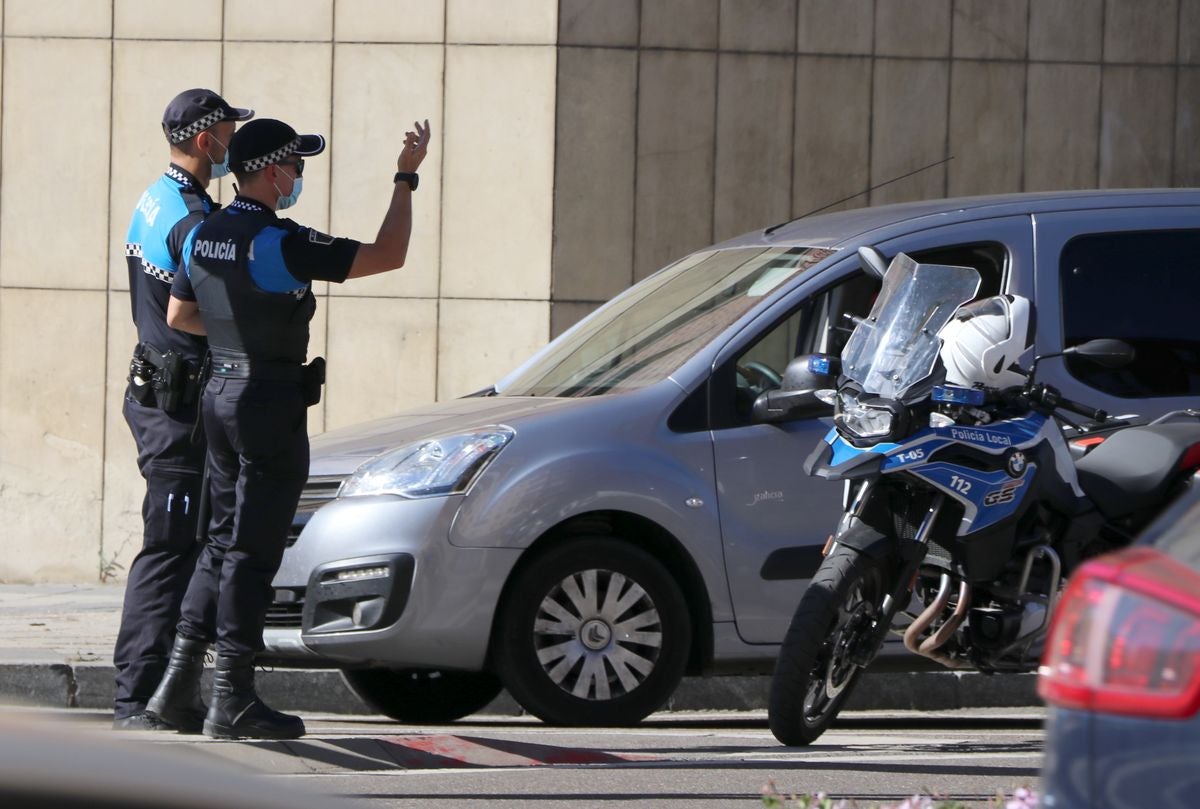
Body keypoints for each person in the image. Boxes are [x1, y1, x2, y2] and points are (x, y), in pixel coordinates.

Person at [146, 116, 431, 739]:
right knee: (254, 551)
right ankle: (233, 698)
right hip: (267, 403)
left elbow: (180, 313)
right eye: (296, 167)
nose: (299, 176)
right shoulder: (280, 241)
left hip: (218, 397)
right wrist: (405, 178)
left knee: (219, 543)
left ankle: (174, 688)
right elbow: (390, 255)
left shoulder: (202, 232)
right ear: (272, 172)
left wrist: (234, 338)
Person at [113, 89, 254, 731]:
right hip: (178, 406)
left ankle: (170, 693)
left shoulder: (157, 196)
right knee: (170, 549)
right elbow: (195, 313)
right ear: (206, 141)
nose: (232, 142)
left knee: (183, 546)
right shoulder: (191, 219)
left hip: (159, 390)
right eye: (227, 130)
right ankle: (139, 697)